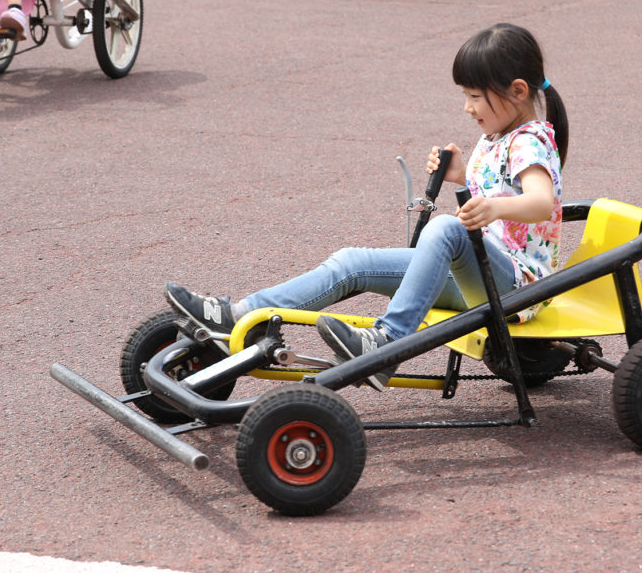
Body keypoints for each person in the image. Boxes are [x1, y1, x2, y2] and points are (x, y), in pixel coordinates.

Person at [166, 23, 569, 391]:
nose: (467, 107)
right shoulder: (501, 134)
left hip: (517, 286)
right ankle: (239, 316)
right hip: (477, 275)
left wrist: (494, 210)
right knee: (351, 263)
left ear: (517, 91)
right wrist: (463, 176)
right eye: (465, 96)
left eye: (475, 97)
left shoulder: (529, 140)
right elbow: (501, 188)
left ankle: (386, 345)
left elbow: (540, 201)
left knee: (446, 228)